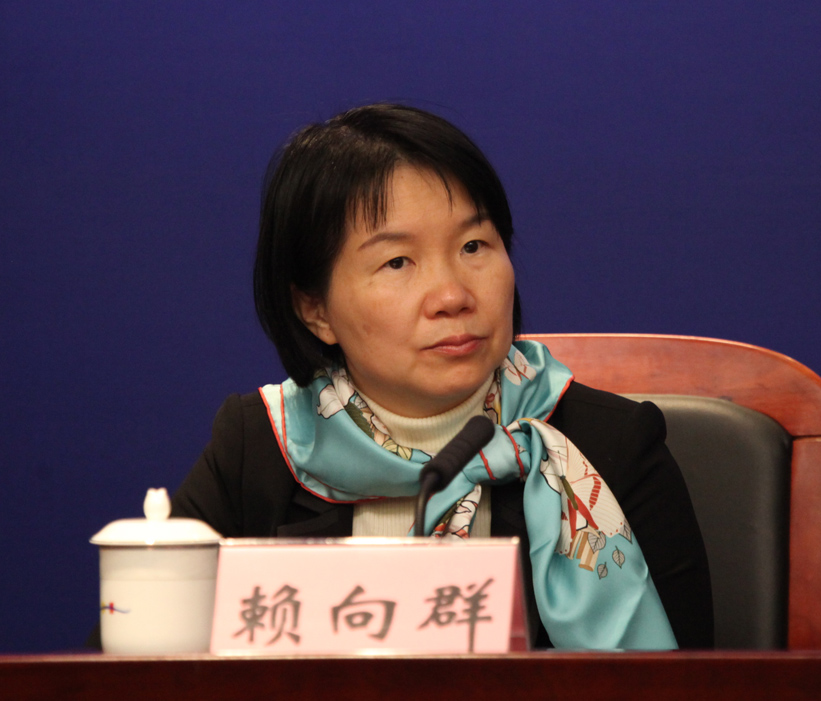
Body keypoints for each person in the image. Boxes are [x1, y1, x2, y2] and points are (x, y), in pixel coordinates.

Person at [171, 103, 713, 649]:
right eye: (397, 262)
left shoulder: (612, 449)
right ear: (316, 310)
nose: (452, 296)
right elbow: (154, 662)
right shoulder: (262, 451)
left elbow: (691, 683)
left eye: (473, 246)